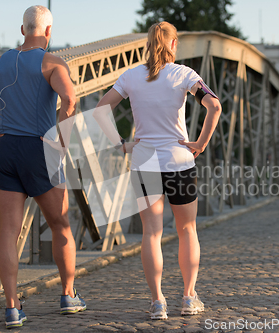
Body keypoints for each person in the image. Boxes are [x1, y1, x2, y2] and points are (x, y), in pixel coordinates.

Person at [0, 5, 85, 329]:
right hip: (41, 149)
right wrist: (59, 139)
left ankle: (13, 307)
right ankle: (69, 294)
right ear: (48, 32)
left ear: (22, 29)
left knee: (9, 232)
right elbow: (70, 100)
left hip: (7, 148)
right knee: (61, 225)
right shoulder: (52, 63)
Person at [93, 21, 221, 320]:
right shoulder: (185, 75)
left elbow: (100, 110)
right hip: (179, 161)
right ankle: (189, 298)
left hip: (144, 161)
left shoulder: (131, 77)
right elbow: (213, 105)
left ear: (147, 45)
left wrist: (121, 144)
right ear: (173, 44)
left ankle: (158, 302)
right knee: (187, 230)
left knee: (151, 233)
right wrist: (200, 143)